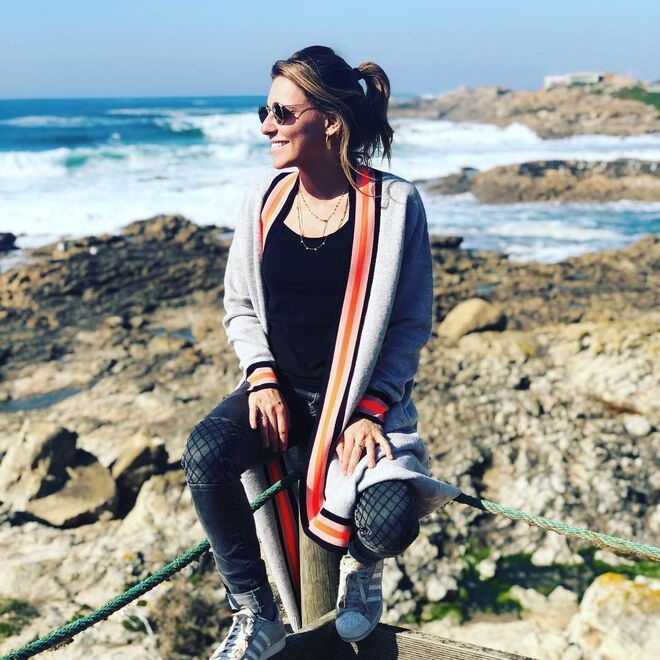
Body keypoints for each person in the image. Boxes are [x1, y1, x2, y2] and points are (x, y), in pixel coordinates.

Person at [181, 45, 459, 659]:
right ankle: (256, 614)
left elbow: (410, 324)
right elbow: (239, 305)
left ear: (330, 121)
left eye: (282, 113)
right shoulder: (264, 196)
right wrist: (261, 377)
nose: (267, 126)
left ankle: (361, 569)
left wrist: (371, 411)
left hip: (359, 407)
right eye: (264, 111)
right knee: (204, 453)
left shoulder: (394, 205)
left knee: (388, 521)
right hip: (278, 394)